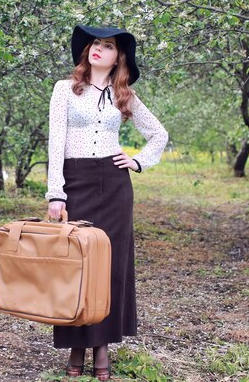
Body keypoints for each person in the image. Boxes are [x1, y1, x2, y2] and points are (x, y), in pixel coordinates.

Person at [45, 25, 168, 380]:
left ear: (118, 57)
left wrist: (137, 160)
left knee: (111, 268)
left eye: (108, 46)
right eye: (95, 44)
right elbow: (56, 143)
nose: (98, 49)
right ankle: (76, 347)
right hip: (77, 182)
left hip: (115, 186)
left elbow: (159, 133)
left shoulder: (123, 94)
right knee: (78, 266)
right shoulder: (65, 90)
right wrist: (56, 193)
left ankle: (102, 348)